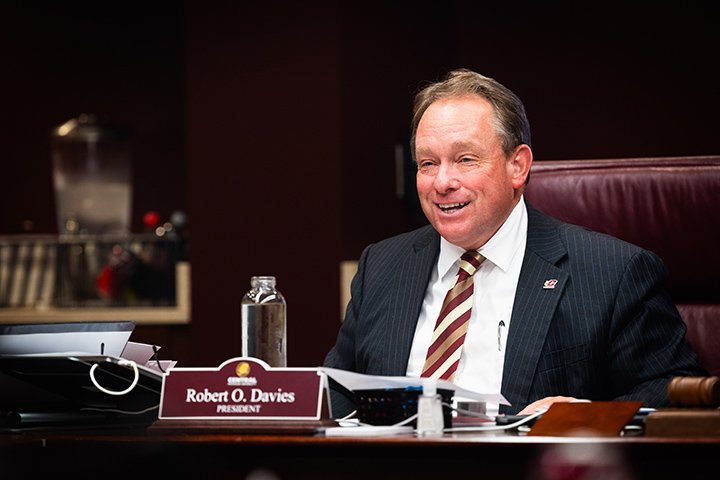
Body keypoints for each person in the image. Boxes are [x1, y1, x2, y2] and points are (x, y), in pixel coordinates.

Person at [323, 68, 706, 417]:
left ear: (517, 166)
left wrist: (584, 415)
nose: (442, 182)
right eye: (427, 163)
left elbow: (672, 394)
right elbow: (337, 393)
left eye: (465, 159)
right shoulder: (383, 265)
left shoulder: (612, 271)